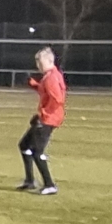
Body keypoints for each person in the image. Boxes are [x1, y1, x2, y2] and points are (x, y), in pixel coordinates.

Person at [18, 45, 66, 194]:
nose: (38, 65)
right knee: (24, 145)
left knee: (37, 151)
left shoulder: (51, 77)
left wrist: (43, 115)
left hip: (49, 118)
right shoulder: (51, 75)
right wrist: (34, 84)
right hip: (47, 116)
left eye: (40, 62)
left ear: (50, 61)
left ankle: (50, 185)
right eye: (37, 62)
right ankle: (30, 181)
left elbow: (58, 99)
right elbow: (46, 92)